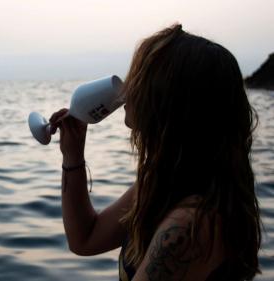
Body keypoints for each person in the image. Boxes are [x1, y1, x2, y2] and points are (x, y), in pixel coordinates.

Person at [48, 24, 262, 281]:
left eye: (140, 76)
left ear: (167, 98)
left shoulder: (188, 226)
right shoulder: (163, 185)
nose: (127, 88)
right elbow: (85, 239)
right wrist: (72, 155)